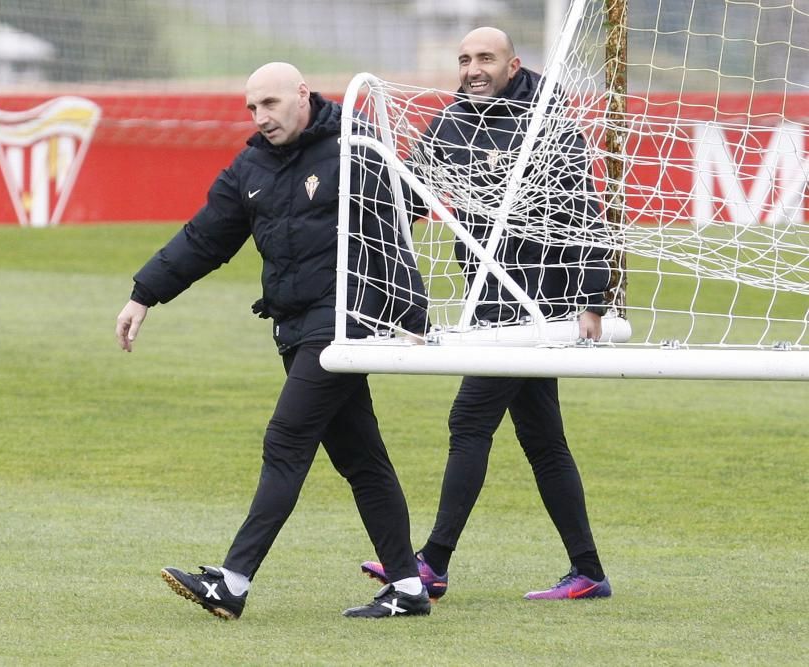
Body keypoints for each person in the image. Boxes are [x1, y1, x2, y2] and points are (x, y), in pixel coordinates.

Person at [116, 62, 432, 620]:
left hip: (342, 322)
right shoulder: (250, 167)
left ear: (302, 95)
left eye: (270, 104)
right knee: (362, 459)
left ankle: (233, 581)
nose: (261, 117)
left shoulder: (355, 149)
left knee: (285, 442)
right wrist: (143, 293)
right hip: (291, 327)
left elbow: (395, 230)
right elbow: (204, 238)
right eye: (252, 108)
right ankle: (408, 587)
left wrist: (411, 311)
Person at [360, 27, 613, 600]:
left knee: (469, 421)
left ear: (513, 64)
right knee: (543, 439)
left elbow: (587, 210)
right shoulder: (451, 121)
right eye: (465, 59)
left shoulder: (548, 120)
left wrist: (594, 300)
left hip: (536, 305)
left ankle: (433, 562)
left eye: (485, 59)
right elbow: (408, 195)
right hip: (486, 300)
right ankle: (589, 571)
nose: (473, 68)